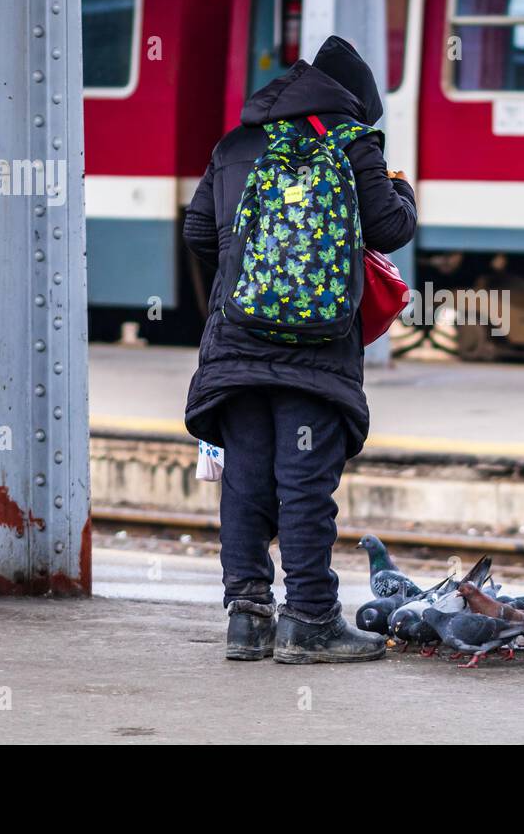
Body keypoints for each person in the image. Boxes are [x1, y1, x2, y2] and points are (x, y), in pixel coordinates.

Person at [182, 36, 416, 664]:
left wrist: (248, 279)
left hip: (237, 343)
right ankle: (310, 618)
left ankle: (248, 619)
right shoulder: (351, 144)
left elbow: (199, 231)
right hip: (316, 352)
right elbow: (392, 228)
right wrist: (401, 186)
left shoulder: (235, 145)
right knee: (305, 486)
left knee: (247, 483)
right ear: (355, 104)